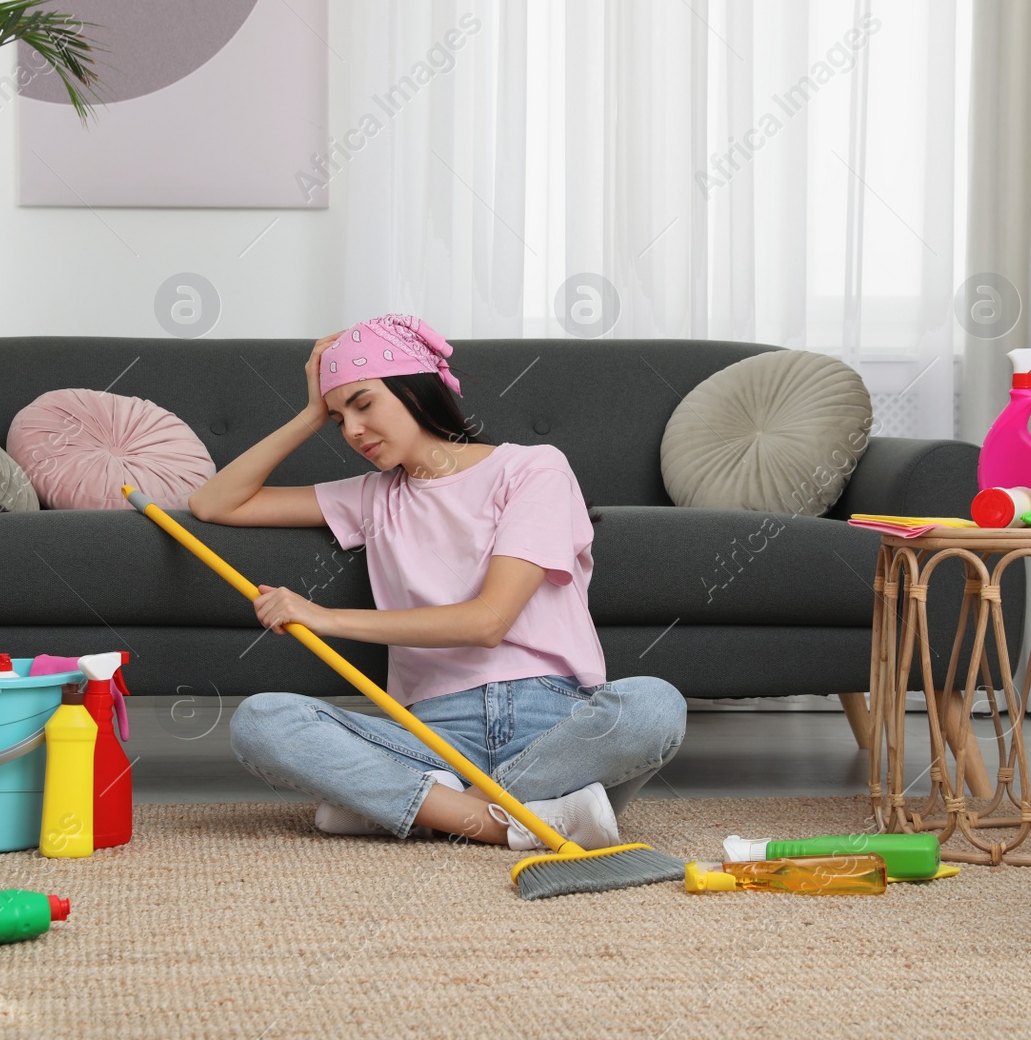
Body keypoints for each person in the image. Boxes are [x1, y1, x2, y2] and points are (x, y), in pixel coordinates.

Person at [187, 314, 686, 848]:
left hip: (556, 726)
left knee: (655, 706)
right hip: (429, 734)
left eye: (363, 402)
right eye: (339, 419)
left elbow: (488, 622)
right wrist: (312, 412)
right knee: (263, 721)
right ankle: (519, 820)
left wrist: (324, 617)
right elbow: (214, 503)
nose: (352, 430)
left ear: (414, 387)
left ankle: (422, 807)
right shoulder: (371, 496)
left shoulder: (533, 469)